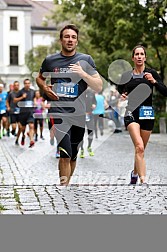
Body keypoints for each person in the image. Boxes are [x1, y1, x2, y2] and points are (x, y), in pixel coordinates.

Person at [36, 24, 102, 186]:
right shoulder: (50, 61)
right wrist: (44, 88)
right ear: (61, 40)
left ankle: (67, 184)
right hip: (58, 113)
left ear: (77, 41)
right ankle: (63, 188)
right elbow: (39, 78)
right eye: (67, 36)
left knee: (73, 154)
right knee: (64, 153)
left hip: (79, 113)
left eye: (73, 37)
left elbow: (98, 86)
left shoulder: (86, 60)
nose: (70, 40)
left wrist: (82, 74)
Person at [117, 45, 167, 185]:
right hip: (131, 112)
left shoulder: (151, 74)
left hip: (147, 113)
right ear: (133, 58)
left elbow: (165, 92)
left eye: (141, 54)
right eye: (136, 54)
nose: (139, 56)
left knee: (141, 150)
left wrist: (154, 82)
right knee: (139, 146)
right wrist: (123, 93)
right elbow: (120, 88)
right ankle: (143, 180)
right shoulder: (127, 76)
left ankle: (134, 173)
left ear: (145, 57)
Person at [14, 78, 35, 148]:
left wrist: (34, 102)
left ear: (30, 84)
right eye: (26, 83)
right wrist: (22, 97)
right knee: (22, 128)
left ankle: (31, 140)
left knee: (31, 126)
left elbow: (34, 98)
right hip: (23, 113)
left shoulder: (32, 91)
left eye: (28, 83)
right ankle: (22, 136)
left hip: (30, 112)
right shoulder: (20, 91)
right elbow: (14, 100)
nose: (27, 85)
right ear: (24, 84)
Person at [79, 87, 96, 158]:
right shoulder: (79, 92)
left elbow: (95, 101)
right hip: (81, 116)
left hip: (89, 114)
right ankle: (82, 149)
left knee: (91, 132)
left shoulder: (91, 92)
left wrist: (94, 105)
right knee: (80, 133)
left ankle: (89, 146)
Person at [6, 81, 22, 145]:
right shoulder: (11, 93)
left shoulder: (21, 93)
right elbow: (7, 101)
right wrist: (8, 107)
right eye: (15, 85)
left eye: (17, 85)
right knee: (14, 126)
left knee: (20, 127)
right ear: (13, 86)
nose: (16, 86)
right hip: (13, 111)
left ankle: (17, 139)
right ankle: (13, 131)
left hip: (20, 112)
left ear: (19, 86)